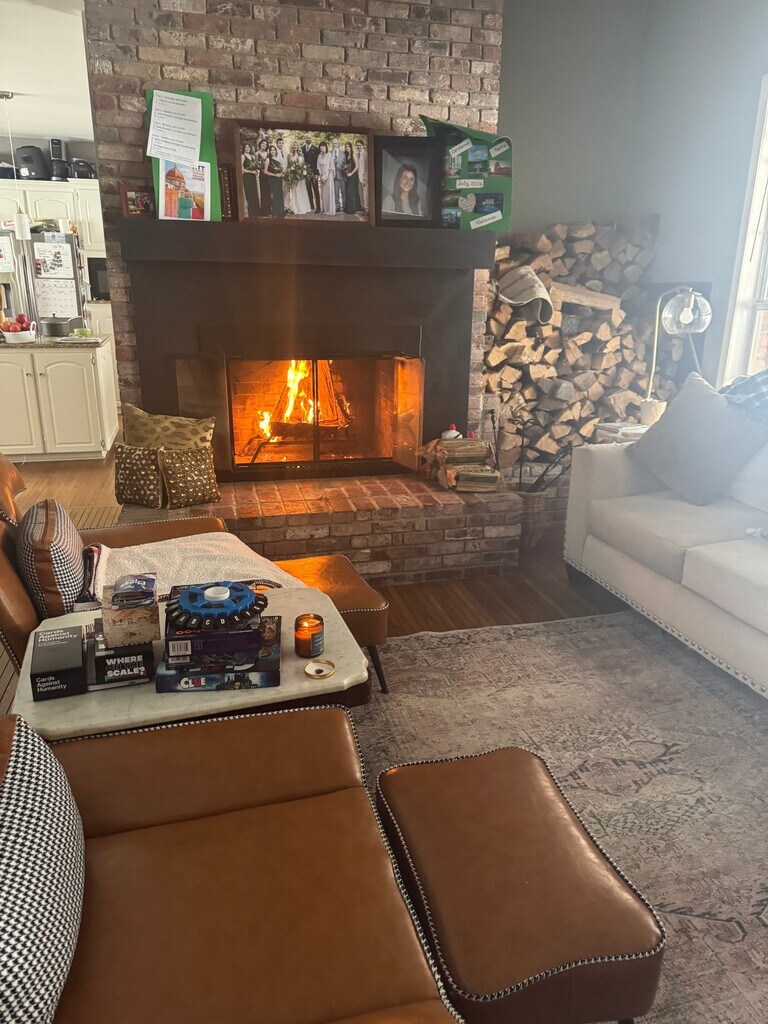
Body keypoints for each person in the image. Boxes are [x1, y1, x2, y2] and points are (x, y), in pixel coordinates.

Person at [285, 141, 312, 216]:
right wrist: (291, 174)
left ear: (298, 146)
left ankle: (303, 206)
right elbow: (289, 166)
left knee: (302, 191)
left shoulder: (301, 155)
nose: (295, 147)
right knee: (295, 192)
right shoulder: (290, 155)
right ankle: (296, 207)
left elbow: (303, 164)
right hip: (294, 177)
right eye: (294, 145)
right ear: (292, 146)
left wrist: (303, 171)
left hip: (301, 177)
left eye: (296, 145)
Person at [240, 143, 261, 218]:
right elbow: (241, 169)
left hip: (253, 177)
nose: (247, 148)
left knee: (254, 194)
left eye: (248, 147)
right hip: (246, 177)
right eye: (246, 147)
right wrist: (250, 171)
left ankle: (257, 212)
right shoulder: (242, 156)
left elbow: (255, 166)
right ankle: (251, 213)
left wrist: (257, 171)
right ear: (244, 148)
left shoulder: (253, 156)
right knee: (249, 195)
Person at [264, 144, 285, 218]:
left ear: (276, 151)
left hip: (279, 179)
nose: (273, 151)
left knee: (280, 195)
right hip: (272, 180)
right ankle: (276, 213)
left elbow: (282, 168)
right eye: (271, 150)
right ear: (269, 151)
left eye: (274, 150)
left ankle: (281, 212)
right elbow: (265, 171)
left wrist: (281, 173)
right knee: (274, 196)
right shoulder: (268, 159)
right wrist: (275, 175)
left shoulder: (278, 158)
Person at [301, 134, 320, 212]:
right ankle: (311, 205)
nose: (308, 139)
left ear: (311, 139)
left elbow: (318, 162)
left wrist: (317, 174)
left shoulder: (316, 149)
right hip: (305, 174)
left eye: (309, 138)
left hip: (314, 173)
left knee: (316, 190)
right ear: (304, 139)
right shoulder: (301, 149)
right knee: (308, 189)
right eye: (306, 138)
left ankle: (318, 207)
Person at [317, 141, 336, 215]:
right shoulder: (319, 156)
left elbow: (331, 167)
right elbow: (318, 167)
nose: (322, 147)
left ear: (326, 147)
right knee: (323, 194)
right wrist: (321, 177)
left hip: (328, 177)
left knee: (328, 193)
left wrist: (326, 177)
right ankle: (325, 209)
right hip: (322, 177)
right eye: (321, 146)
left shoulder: (329, 155)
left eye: (323, 146)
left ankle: (329, 210)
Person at [342, 141, 360, 215]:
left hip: (353, 175)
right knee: (348, 191)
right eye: (346, 147)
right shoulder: (346, 155)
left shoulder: (353, 155)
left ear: (351, 147)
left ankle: (352, 209)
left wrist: (351, 174)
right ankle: (348, 207)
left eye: (348, 146)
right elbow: (345, 166)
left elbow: (357, 166)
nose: (347, 148)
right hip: (348, 175)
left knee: (351, 191)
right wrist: (345, 170)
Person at [255, 138, 271, 216]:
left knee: (269, 192)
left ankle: (269, 209)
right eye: (263, 143)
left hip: (269, 174)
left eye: (265, 144)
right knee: (263, 192)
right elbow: (256, 164)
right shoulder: (256, 154)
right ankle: (264, 211)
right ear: (260, 144)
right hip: (262, 175)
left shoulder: (268, 153)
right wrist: (260, 167)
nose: (264, 145)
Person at [330, 137, 345, 213]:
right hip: (334, 176)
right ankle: (337, 206)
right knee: (335, 192)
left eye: (336, 143)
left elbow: (345, 164)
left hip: (342, 175)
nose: (334, 145)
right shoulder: (329, 153)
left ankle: (344, 205)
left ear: (338, 144)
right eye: (333, 143)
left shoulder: (343, 153)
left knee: (343, 191)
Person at [355, 138, 368, 212]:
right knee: (360, 194)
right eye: (357, 145)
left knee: (365, 194)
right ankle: (362, 207)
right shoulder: (356, 154)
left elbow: (367, 167)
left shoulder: (366, 154)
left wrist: (365, 179)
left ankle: (367, 209)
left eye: (360, 145)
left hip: (363, 177)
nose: (358, 147)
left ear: (363, 145)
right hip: (358, 177)